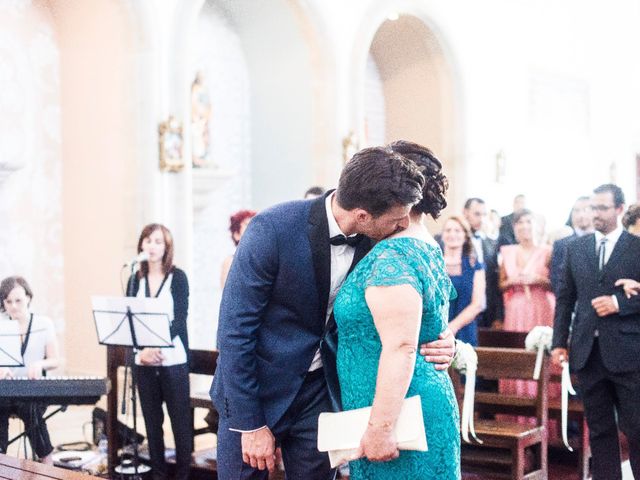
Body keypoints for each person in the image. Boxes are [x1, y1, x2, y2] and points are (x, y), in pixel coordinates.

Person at [211, 145, 456, 480]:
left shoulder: (380, 240)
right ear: (362, 215)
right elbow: (234, 331)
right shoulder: (273, 228)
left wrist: (445, 339)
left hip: (320, 394)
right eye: (398, 216)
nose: (404, 222)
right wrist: (250, 423)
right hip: (257, 391)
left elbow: (407, 307)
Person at [334, 141, 460, 479]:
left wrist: (380, 428)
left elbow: (401, 346)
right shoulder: (421, 243)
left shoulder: (394, 255)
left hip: (400, 412)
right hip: (401, 401)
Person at [551, 184, 640, 480]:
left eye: (602, 208)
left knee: (636, 427)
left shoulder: (636, 247)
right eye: (593, 207)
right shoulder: (576, 248)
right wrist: (558, 343)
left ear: (619, 209)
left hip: (628, 354)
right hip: (587, 352)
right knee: (599, 430)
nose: (595, 214)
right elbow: (565, 299)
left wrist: (619, 303)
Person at [127, 224, 192, 480]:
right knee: (153, 425)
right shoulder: (134, 278)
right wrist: (141, 352)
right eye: (148, 240)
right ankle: (158, 473)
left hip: (172, 359)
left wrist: (156, 345)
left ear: (167, 248)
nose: (152, 246)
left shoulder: (178, 277)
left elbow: (180, 319)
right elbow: (129, 319)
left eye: (158, 242)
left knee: (180, 423)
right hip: (144, 361)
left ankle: (184, 475)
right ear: (141, 245)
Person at [0, 276, 60, 464]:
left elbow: (55, 359)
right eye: (8, 301)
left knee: (30, 408)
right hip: (6, 389)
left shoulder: (44, 324)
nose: (14, 306)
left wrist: (39, 364)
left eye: (18, 300)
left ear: (28, 298)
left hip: (34, 388)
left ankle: (47, 461)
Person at [499, 209, 554, 334]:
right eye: (520, 222)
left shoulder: (547, 252)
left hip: (540, 305)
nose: (524, 226)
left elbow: (556, 284)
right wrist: (512, 281)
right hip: (516, 308)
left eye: (529, 221)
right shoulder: (508, 252)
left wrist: (538, 280)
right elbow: (501, 285)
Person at [440, 215, 485, 346]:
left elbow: (478, 304)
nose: (452, 234)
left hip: (465, 329)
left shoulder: (474, 265)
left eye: (457, 230)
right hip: (436, 330)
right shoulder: (433, 264)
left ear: (465, 235)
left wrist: (452, 327)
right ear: (442, 235)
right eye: (448, 230)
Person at [462, 197, 502, 328]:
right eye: (477, 214)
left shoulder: (491, 244)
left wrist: (498, 315)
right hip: (461, 307)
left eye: (484, 214)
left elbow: (494, 281)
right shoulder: (452, 240)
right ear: (465, 213)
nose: (481, 219)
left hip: (487, 311)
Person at [550, 196, 594, 295]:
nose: (581, 215)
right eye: (576, 211)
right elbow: (556, 279)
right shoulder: (561, 245)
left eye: (586, 210)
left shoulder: (605, 241)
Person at [220, 210, 257, 288]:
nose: (254, 229)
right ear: (236, 235)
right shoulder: (230, 262)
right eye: (247, 225)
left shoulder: (264, 259)